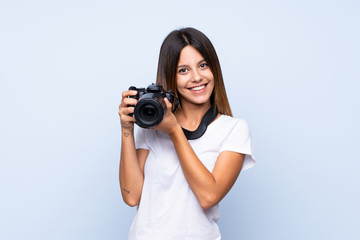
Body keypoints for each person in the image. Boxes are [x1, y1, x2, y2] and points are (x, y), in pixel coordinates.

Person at [118, 27, 255, 240]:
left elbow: (209, 196)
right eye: (183, 70)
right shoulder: (152, 123)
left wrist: (174, 131)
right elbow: (132, 196)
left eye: (203, 65)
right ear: (171, 77)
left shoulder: (233, 129)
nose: (197, 77)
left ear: (214, 69)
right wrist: (127, 130)